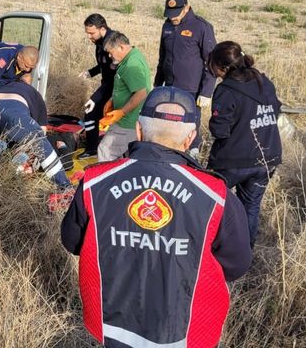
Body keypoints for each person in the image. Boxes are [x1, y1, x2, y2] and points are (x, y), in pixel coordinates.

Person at [61, 86, 252, 348]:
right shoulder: (216, 195)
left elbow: (72, 242)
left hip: (112, 327)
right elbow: (237, 264)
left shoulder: (95, 181)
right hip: (183, 333)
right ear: (190, 139)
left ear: (138, 130)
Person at [207, 41, 282, 248]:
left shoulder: (226, 90)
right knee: (251, 207)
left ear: (222, 68)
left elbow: (219, 130)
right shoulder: (264, 81)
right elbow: (276, 111)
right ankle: (244, 252)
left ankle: (210, 247)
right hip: (268, 157)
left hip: (233, 160)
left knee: (211, 202)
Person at [154, 0, 217, 158]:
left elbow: (211, 61)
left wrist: (206, 92)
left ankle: (193, 154)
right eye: (169, 14)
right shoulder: (167, 26)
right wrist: (157, 82)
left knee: (190, 123)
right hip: (169, 86)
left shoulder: (201, 27)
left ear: (186, 8)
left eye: (176, 14)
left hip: (192, 88)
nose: (172, 18)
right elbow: (163, 56)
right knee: (170, 121)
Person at [0, 81, 70, 189]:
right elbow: (41, 136)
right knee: (41, 144)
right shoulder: (36, 96)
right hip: (13, 114)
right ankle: (65, 186)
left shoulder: (7, 86)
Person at [97, 32, 151, 162]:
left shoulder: (131, 64)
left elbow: (141, 93)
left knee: (105, 151)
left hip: (128, 122)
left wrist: (122, 112)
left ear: (121, 47)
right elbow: (128, 87)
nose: (109, 56)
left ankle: (106, 181)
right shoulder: (132, 56)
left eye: (111, 52)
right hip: (129, 120)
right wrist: (112, 100)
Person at [77, 14, 116, 160]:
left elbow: (115, 73)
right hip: (107, 86)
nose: (89, 36)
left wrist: (96, 97)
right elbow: (103, 66)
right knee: (91, 114)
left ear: (102, 29)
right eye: (87, 33)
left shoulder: (112, 42)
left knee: (93, 111)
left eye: (91, 33)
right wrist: (89, 73)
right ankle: (91, 148)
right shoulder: (99, 44)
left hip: (117, 88)